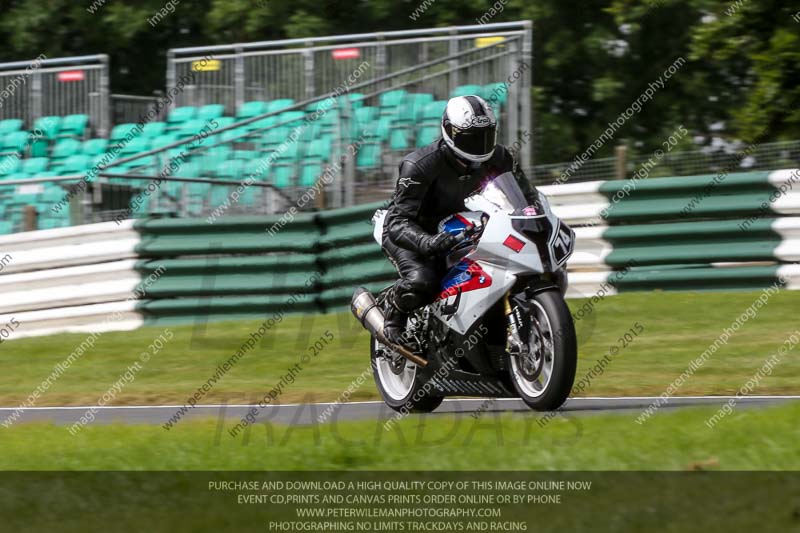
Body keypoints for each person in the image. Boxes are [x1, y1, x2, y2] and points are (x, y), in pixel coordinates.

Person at [381, 94, 539, 345]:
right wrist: (428, 243)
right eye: (471, 137)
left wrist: (535, 217)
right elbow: (397, 222)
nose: (480, 144)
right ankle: (393, 317)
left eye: (486, 135)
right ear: (449, 132)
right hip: (413, 232)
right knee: (423, 280)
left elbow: (527, 197)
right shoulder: (419, 165)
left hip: (462, 225)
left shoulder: (499, 158)